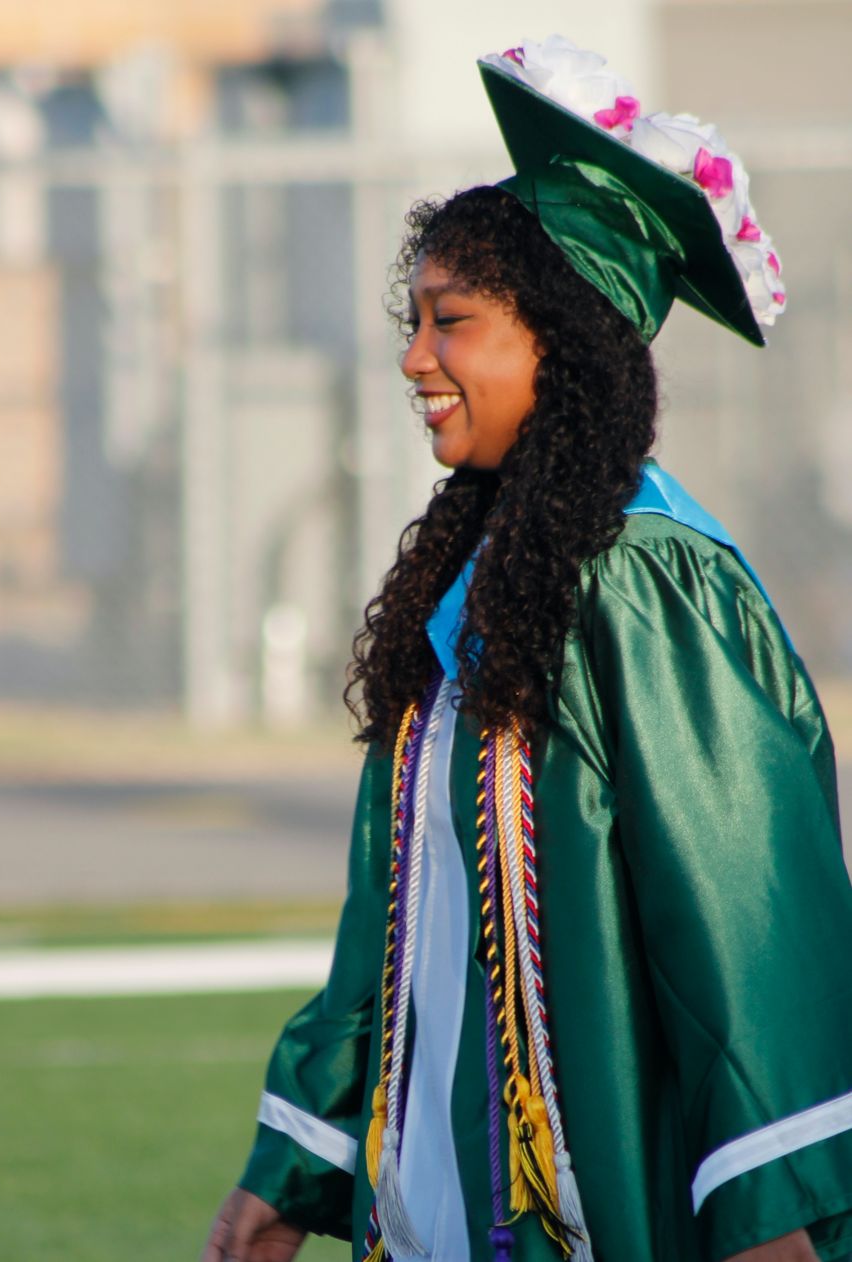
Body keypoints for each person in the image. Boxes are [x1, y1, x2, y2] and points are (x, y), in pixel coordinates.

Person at [202, 36, 852, 1262]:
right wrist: (288, 1170)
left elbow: (746, 931)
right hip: (441, 1212)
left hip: (615, 1208)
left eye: (453, 323)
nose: (414, 359)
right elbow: (388, 925)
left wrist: (780, 1230)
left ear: (563, 341)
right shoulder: (473, 584)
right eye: (413, 323)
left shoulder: (651, 580)